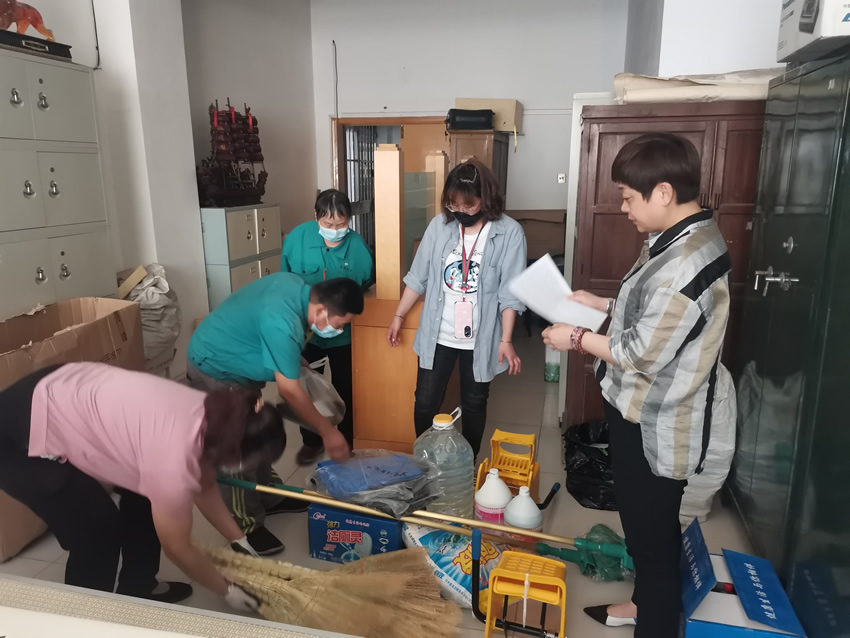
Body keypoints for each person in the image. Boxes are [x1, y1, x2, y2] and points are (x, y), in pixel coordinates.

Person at [543, 133, 732, 638]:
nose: (623, 207)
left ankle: (655, 621)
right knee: (645, 525)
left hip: (656, 421)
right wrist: (604, 304)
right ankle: (641, 603)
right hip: (640, 410)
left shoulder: (685, 261)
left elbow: (640, 353)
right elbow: (661, 315)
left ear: (663, 192)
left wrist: (575, 337)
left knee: (652, 540)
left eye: (629, 197)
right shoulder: (683, 237)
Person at [0, 362, 284, 612]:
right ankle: (81, 622)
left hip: (61, 391)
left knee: (145, 495)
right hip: (16, 436)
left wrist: (240, 541)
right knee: (97, 533)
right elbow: (178, 547)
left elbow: (203, 481)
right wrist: (228, 590)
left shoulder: (214, 414)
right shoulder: (171, 462)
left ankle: (138, 585)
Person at [187, 273, 363, 556]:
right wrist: (328, 432)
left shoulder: (297, 290)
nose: (339, 330)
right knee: (240, 449)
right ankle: (245, 525)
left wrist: (294, 358)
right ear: (321, 309)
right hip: (217, 370)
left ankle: (267, 496)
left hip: (237, 361)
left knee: (259, 433)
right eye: (340, 324)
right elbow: (289, 391)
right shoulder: (282, 322)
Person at [387, 159, 526, 458]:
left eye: (468, 205)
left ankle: (467, 465)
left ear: (485, 199)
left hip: (481, 337)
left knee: (474, 403)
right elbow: (418, 276)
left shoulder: (509, 232)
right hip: (438, 333)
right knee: (425, 402)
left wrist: (506, 339)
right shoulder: (440, 226)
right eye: (453, 204)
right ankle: (426, 460)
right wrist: (398, 315)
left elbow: (511, 293)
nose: (460, 211)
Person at [280, 189, 374, 466]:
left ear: (349, 220)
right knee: (307, 387)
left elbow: (365, 283)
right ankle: (312, 441)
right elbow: (287, 282)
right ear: (316, 216)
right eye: (328, 224)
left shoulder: (357, 247)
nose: (335, 230)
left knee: (346, 385)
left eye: (341, 224)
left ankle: (347, 439)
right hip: (307, 330)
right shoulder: (296, 239)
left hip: (343, 333)